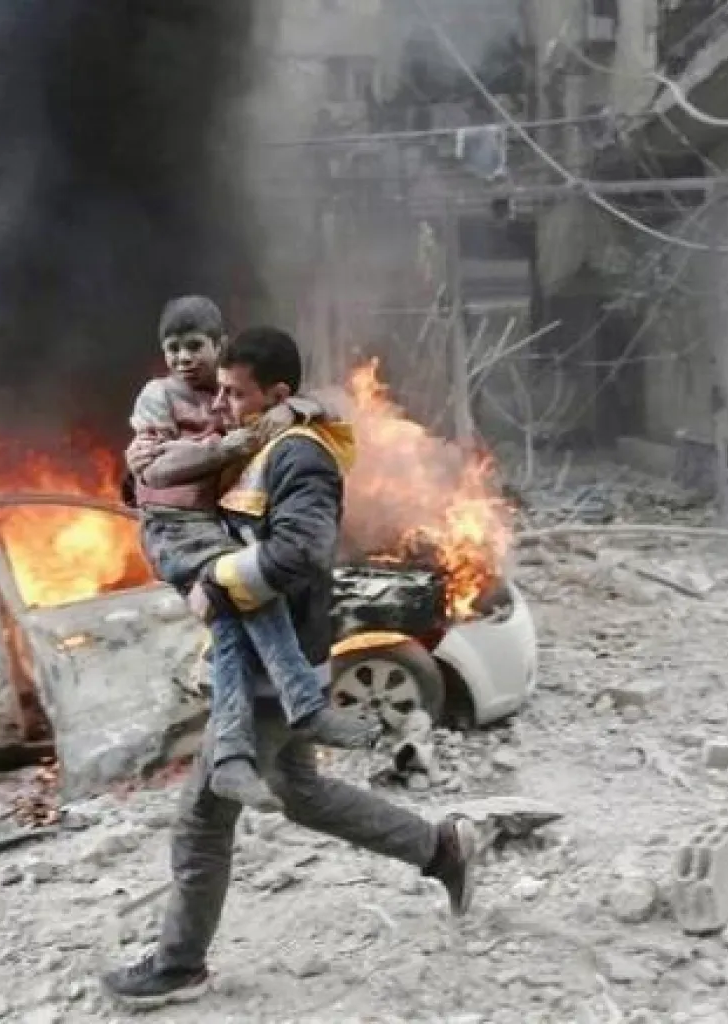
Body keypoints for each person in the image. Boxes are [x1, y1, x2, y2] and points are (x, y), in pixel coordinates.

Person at [103, 326, 479, 1011]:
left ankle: (179, 965)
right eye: (220, 389)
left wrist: (216, 588)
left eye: (237, 392)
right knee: (301, 790)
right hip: (268, 654)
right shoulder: (261, 440)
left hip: (278, 670)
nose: (224, 401)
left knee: (202, 819)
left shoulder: (299, 458)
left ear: (276, 393)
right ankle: (440, 849)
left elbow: (299, 551)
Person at [128, 297, 380, 814]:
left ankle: (236, 757)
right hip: (187, 540)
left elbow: (298, 549)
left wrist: (291, 410)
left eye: (192, 346)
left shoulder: (288, 443)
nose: (182, 358)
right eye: (171, 348)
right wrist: (219, 449)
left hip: (274, 631)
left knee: (274, 799)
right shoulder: (177, 402)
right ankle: (284, 723)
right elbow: (150, 471)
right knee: (285, 793)